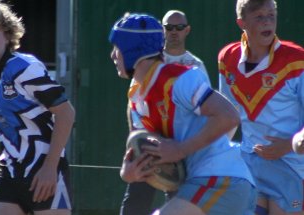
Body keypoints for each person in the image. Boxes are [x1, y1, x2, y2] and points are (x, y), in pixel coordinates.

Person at [109, 13, 256, 215]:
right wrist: (130, 173)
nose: (113, 55)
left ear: (132, 49)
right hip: (206, 183)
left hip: (220, 179)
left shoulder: (179, 78)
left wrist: (180, 149)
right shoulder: (136, 96)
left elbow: (229, 116)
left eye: (117, 48)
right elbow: (146, 150)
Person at [0, 0, 75, 215]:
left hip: (45, 168)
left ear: (8, 36)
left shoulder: (24, 68)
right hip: (9, 170)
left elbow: (66, 113)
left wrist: (50, 168)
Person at [218, 0, 304, 215]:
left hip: (293, 168)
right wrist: (213, 157)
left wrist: (288, 145)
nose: (267, 22)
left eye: (271, 15)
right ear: (241, 23)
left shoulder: (296, 60)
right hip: (249, 166)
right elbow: (225, 117)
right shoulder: (227, 58)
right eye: (259, 17)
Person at [119, 10, 211, 215]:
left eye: (179, 28)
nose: (174, 32)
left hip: (177, 147)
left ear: (187, 30)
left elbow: (209, 112)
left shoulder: (196, 66)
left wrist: (185, 148)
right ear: (162, 30)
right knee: (135, 201)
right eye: (169, 27)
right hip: (149, 144)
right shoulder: (149, 60)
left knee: (178, 202)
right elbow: (132, 104)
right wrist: (135, 139)